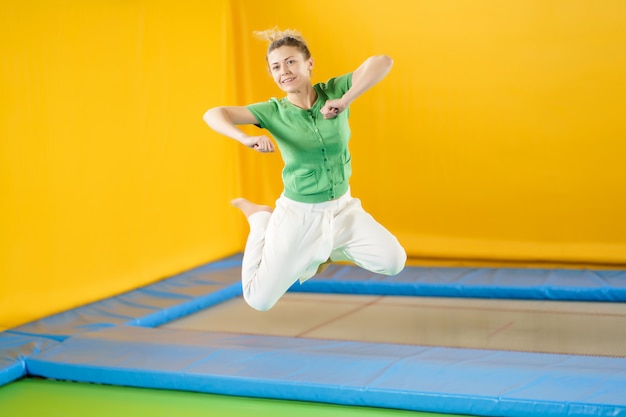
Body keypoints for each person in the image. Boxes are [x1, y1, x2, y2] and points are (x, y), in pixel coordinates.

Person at [203, 28, 406, 311]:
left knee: (393, 261)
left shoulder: (334, 92)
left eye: (290, 62)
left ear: (308, 63)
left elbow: (382, 61)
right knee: (258, 300)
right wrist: (245, 137)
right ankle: (261, 220)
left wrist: (345, 100)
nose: (283, 71)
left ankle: (324, 248)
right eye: (276, 66)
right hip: (300, 214)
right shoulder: (272, 112)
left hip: (343, 208)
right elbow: (213, 114)